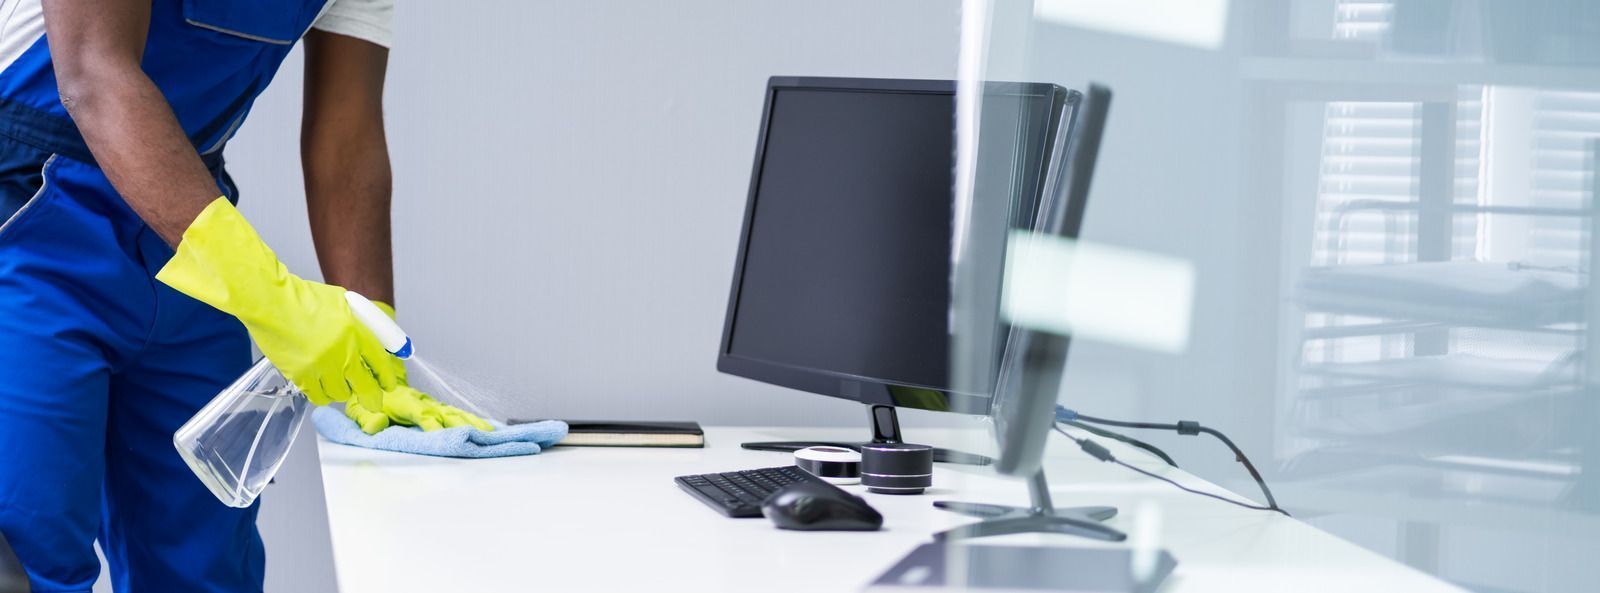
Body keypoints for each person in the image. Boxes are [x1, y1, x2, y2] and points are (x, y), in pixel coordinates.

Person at [0, 0, 487, 590]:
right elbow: (93, 72)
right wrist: (272, 298)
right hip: (27, 215)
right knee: (25, 553)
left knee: (205, 564)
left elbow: (346, 130)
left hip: (186, 226)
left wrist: (371, 334)